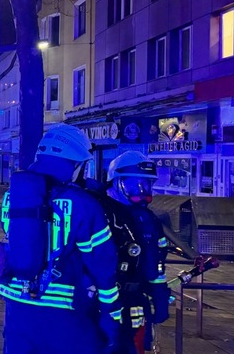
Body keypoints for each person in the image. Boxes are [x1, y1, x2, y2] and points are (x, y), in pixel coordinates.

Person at [0, 124, 122, 354]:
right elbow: (103, 265)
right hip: (63, 312)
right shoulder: (82, 202)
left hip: (16, 308)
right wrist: (111, 315)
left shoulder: (12, 196)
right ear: (74, 164)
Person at [101, 151, 170, 353]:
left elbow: (156, 260)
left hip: (136, 300)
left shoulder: (149, 219)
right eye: (135, 184)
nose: (143, 190)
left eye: (147, 184)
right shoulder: (101, 214)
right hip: (104, 303)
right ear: (116, 182)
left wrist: (160, 294)